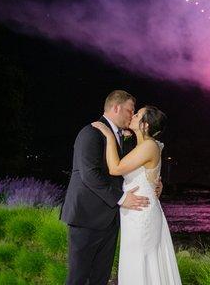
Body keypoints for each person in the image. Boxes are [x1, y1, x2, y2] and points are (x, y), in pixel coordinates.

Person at [60, 90, 162, 285]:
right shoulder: (90, 132)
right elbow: (90, 175)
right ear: (116, 107)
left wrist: (154, 182)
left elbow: (139, 167)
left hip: (111, 220)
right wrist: (122, 198)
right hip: (86, 218)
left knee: (101, 277)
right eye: (130, 110)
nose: (132, 115)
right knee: (78, 277)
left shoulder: (126, 138)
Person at [91, 104, 182, 284]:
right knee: (136, 261)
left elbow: (116, 168)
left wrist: (109, 136)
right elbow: (145, 173)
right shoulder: (143, 145)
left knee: (140, 262)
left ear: (146, 125)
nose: (132, 115)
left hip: (142, 214)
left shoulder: (149, 146)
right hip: (134, 211)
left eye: (138, 114)